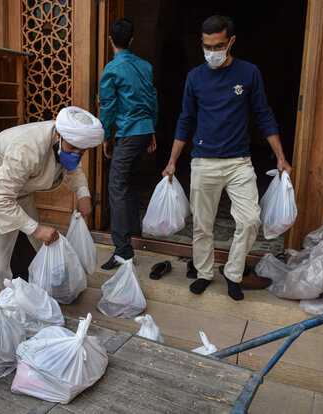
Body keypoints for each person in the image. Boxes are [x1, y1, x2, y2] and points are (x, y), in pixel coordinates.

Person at [162, 15, 292, 301]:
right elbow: (185, 120)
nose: (212, 51)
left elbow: (263, 115)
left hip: (239, 163)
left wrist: (280, 157)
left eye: (218, 45)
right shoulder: (194, 77)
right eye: (206, 45)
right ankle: (205, 272)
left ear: (231, 41)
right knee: (202, 225)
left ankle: (233, 273)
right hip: (203, 162)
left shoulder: (249, 73)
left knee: (249, 220)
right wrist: (172, 161)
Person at [0, 107, 104, 316]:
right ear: (58, 135)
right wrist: (36, 228)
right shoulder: (27, 148)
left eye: (83, 150)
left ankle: (14, 312)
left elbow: (72, 165)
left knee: (28, 254)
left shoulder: (65, 141)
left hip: (17, 195)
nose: (77, 153)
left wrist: (83, 192)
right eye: (73, 147)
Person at [99, 18, 159, 270]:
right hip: (144, 131)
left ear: (110, 39)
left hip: (129, 132)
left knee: (116, 184)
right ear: (132, 40)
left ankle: (123, 249)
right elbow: (152, 99)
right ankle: (134, 232)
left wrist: (104, 135)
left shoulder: (112, 69)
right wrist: (152, 130)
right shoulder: (145, 66)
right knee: (127, 182)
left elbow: (109, 105)